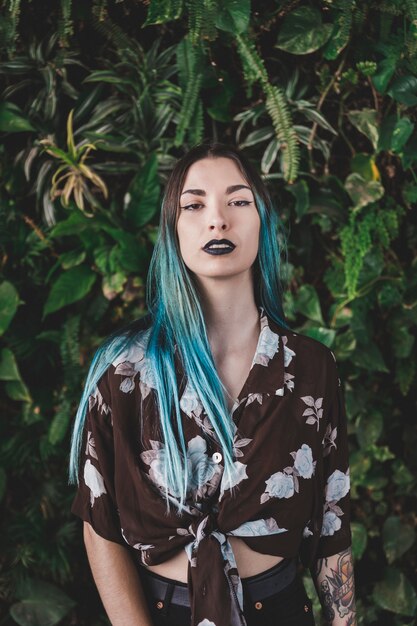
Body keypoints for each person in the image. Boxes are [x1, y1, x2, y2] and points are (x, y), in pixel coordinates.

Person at [69, 142, 357, 626]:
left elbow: (332, 517)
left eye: (238, 201)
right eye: (194, 204)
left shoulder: (310, 366)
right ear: (174, 230)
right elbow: (100, 527)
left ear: (261, 221)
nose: (217, 220)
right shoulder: (124, 372)